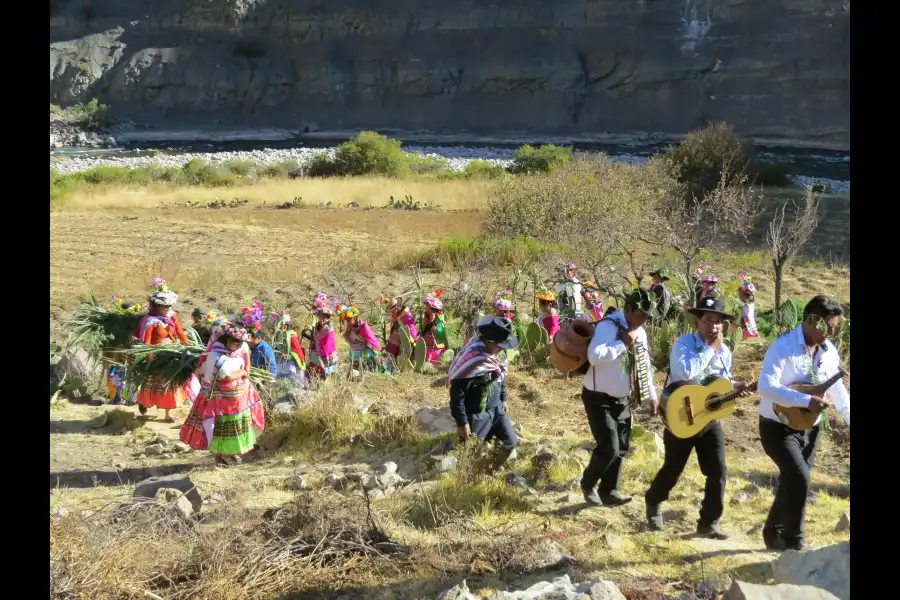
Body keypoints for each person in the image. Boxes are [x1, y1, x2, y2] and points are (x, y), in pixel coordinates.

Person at [645, 293, 754, 539]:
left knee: (718, 470)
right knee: (673, 468)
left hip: (709, 418)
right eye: (707, 320)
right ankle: (653, 501)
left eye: (717, 321)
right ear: (697, 322)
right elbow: (685, 372)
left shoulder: (725, 351)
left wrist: (736, 386)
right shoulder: (683, 344)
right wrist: (709, 349)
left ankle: (709, 522)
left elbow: (718, 382)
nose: (712, 326)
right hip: (680, 415)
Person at [757, 295, 850, 551]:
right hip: (777, 426)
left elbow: (838, 390)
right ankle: (793, 543)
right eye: (828, 326)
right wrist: (804, 399)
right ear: (811, 320)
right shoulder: (783, 347)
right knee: (800, 478)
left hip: (811, 428)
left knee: (793, 479)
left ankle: (773, 532)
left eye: (836, 326)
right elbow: (766, 386)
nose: (833, 332)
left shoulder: (829, 352)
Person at [580, 288, 660, 507]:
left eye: (647, 316)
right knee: (609, 447)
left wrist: (652, 395)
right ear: (628, 309)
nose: (644, 320)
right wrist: (622, 344)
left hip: (622, 398)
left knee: (622, 447)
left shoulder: (639, 331)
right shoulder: (608, 326)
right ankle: (588, 484)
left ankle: (609, 491)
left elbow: (644, 365)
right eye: (640, 314)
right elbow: (594, 356)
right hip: (598, 397)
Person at [180, 322, 266, 466]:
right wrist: (243, 372)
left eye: (240, 343)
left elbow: (246, 359)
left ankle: (232, 452)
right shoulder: (216, 355)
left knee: (236, 425)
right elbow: (226, 377)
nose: (238, 346)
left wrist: (246, 371)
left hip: (239, 398)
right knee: (219, 426)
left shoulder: (242, 346)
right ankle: (219, 454)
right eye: (235, 343)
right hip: (219, 400)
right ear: (227, 340)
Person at [449, 316, 519, 469]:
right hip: (476, 416)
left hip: (496, 410)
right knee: (471, 453)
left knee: (510, 441)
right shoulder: (473, 359)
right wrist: (462, 422)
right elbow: (457, 394)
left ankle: (490, 468)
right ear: (488, 341)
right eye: (499, 345)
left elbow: (500, 377)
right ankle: (468, 479)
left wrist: (503, 398)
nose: (502, 349)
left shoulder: (497, 356)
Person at [134, 278, 192, 422]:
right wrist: (149, 361)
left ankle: (168, 414)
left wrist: (188, 347)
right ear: (156, 307)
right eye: (164, 307)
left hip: (172, 353)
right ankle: (143, 402)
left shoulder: (171, 316)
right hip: (156, 355)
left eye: (169, 306)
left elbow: (180, 332)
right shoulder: (150, 322)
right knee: (152, 384)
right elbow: (145, 344)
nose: (167, 309)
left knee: (170, 383)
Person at [340, 304, 382, 372]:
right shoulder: (349, 328)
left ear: (355, 318)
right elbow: (350, 342)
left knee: (365, 371)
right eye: (346, 320)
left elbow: (372, 340)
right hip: (354, 354)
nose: (348, 321)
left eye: (350, 319)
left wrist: (377, 352)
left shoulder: (363, 326)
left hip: (364, 355)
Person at [272, 313, 307, 388]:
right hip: (281, 362)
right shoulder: (278, 336)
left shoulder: (291, 336)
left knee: (292, 384)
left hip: (291, 365)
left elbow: (298, 353)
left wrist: (288, 356)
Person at [308, 294, 339, 379]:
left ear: (328, 318)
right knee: (313, 373)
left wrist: (322, 354)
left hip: (325, 354)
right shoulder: (317, 327)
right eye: (320, 316)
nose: (322, 319)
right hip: (316, 354)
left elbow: (327, 344)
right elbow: (315, 339)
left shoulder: (329, 329)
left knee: (325, 375)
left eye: (324, 317)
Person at [421, 291, 451, 363]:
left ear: (431, 308)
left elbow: (436, 331)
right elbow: (424, 326)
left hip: (435, 343)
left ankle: (436, 360)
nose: (426, 308)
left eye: (427, 307)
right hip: (429, 343)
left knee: (435, 352)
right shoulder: (428, 317)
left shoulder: (438, 320)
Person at [738, 274, 760, 340]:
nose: (744, 280)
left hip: (749, 304)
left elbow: (751, 294)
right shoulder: (747, 286)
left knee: (749, 316)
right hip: (748, 304)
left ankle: (754, 332)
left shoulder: (749, 286)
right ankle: (745, 334)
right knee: (745, 317)